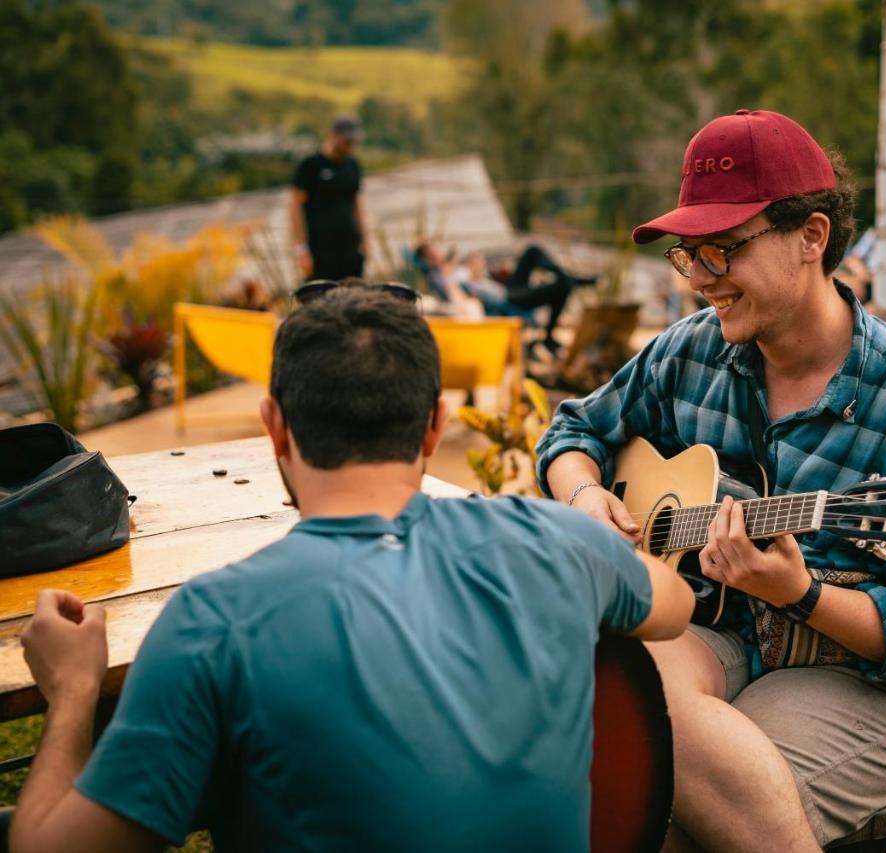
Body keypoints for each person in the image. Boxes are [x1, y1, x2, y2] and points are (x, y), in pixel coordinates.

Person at [9, 285, 693, 852]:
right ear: (434, 426)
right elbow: (674, 604)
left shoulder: (211, 622)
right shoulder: (562, 542)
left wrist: (72, 691)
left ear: (275, 427)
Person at [536, 109, 886, 850]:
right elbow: (572, 431)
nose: (702, 280)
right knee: (604, 720)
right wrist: (588, 497)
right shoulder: (689, 352)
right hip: (712, 626)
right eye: (691, 254)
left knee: (668, 820)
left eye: (726, 250)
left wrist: (801, 593)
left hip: (863, 679)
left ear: (811, 237)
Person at [410, 240, 596, 356]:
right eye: (432, 252)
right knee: (561, 287)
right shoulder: (440, 276)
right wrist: (456, 275)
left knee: (533, 251)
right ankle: (570, 282)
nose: (438, 252)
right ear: (426, 258)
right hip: (506, 301)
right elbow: (460, 298)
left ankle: (568, 278)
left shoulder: (452, 267)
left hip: (503, 288)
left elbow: (478, 281)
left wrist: (478, 270)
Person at [290, 115, 369, 282]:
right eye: (346, 141)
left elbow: (357, 204)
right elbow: (295, 207)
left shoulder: (353, 165)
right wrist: (301, 250)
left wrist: (365, 241)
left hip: (350, 250)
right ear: (333, 135)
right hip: (321, 251)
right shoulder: (310, 166)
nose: (350, 146)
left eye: (353, 142)